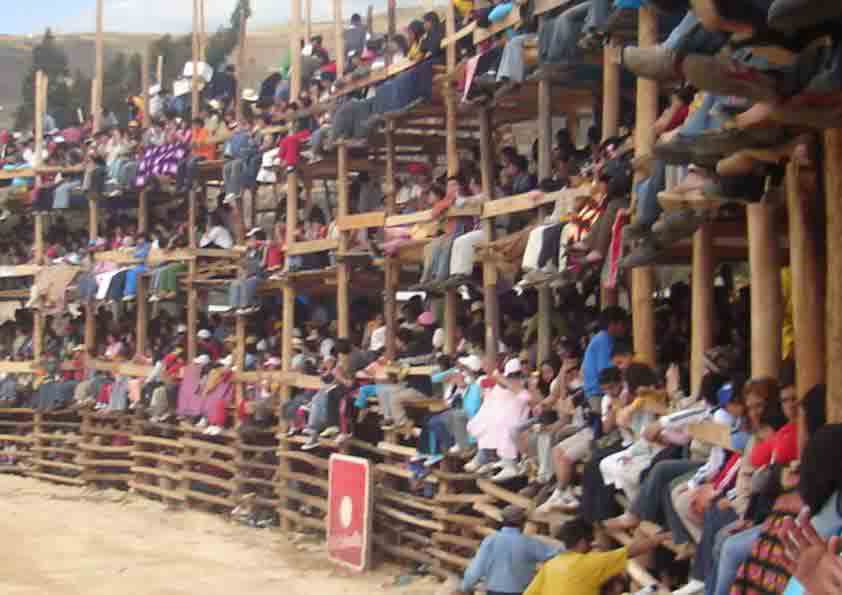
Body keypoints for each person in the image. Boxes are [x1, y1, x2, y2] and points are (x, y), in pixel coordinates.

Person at [524, 517, 667, 595]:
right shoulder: (590, 562)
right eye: (591, 540)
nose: (593, 544)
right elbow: (632, 550)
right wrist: (661, 537)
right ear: (582, 542)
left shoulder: (550, 565)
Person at [458, 505, 563, 595]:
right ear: (523, 523)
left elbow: (477, 568)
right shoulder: (529, 543)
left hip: (495, 592)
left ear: (503, 520)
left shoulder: (491, 540)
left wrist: (465, 587)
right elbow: (556, 553)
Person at [582, 307, 627, 407]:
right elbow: (606, 372)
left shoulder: (601, 338)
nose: (625, 328)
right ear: (612, 324)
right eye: (622, 324)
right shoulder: (604, 340)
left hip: (596, 392)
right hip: (597, 394)